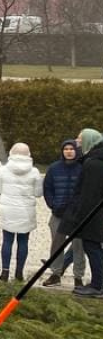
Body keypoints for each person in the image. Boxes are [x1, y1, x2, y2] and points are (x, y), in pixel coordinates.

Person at [0, 142, 43, 282]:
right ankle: (19, 272)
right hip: (26, 211)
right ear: (29, 154)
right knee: (23, 242)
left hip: (8, 209)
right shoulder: (34, 171)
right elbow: (38, 193)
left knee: (7, 241)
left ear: (11, 153)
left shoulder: (3, 170)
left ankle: (4, 271)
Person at [65, 128, 103, 299]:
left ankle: (97, 286)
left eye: (80, 140)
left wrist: (80, 217)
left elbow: (89, 194)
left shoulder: (93, 163)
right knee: (94, 248)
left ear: (89, 141)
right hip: (96, 214)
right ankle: (98, 283)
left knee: (92, 247)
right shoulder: (96, 158)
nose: (76, 142)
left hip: (93, 215)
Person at [43, 139, 86, 288]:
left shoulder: (83, 168)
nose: (68, 151)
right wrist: (52, 204)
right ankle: (55, 274)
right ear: (62, 151)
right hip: (58, 213)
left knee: (78, 246)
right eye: (66, 149)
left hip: (77, 215)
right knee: (56, 244)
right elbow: (47, 188)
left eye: (71, 149)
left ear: (76, 150)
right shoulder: (54, 168)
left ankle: (78, 277)